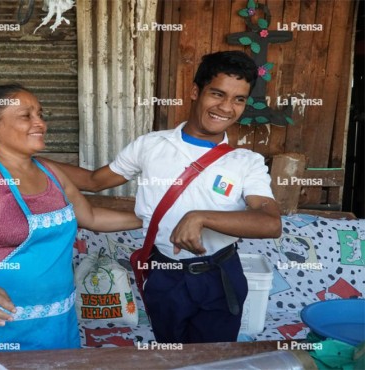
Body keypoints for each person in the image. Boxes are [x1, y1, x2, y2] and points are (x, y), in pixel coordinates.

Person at [49, 51, 282, 343]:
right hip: (164, 274)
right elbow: (95, 182)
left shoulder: (246, 162)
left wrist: (201, 217)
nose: (226, 107)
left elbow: (271, 223)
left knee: (213, 360)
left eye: (238, 99)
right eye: (217, 94)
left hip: (220, 276)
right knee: (170, 353)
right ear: (196, 91)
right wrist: (34, 162)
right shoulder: (151, 146)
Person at [0, 84, 142, 353]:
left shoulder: (51, 172)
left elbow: (92, 216)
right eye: (26, 116)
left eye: (40, 114)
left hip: (58, 320)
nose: (40, 123)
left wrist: (150, 219)